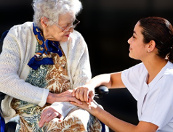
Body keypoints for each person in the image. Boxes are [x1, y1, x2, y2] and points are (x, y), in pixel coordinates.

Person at [71, 16, 173, 132]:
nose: (129, 41)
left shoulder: (168, 81)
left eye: (134, 37)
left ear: (150, 45)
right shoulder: (146, 69)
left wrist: (95, 109)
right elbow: (110, 79)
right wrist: (89, 86)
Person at [0, 0, 105, 131]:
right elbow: (4, 79)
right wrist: (50, 97)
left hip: (70, 105)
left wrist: (60, 106)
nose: (71, 29)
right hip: (28, 106)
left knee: (76, 121)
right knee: (55, 125)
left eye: (73, 23)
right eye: (65, 25)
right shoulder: (18, 35)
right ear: (44, 22)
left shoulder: (77, 41)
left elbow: (82, 86)